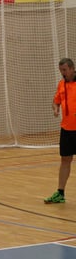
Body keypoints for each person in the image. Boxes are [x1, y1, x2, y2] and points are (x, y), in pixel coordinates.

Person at [45, 57, 76, 204]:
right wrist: (56, 108)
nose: (63, 73)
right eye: (61, 70)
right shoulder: (61, 84)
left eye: (64, 70)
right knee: (65, 160)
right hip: (66, 129)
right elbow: (56, 101)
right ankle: (60, 193)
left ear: (72, 69)